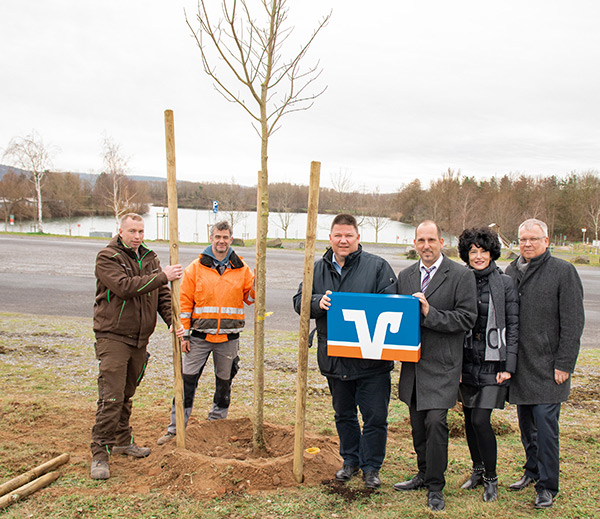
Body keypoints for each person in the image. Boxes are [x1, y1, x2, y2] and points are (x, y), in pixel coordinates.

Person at [292, 214, 396, 489]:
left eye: (349, 235)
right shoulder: (315, 269)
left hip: (372, 362)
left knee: (375, 416)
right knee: (344, 414)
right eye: (338, 235)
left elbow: (393, 304)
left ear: (357, 237)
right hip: (335, 359)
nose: (343, 240)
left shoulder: (377, 267)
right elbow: (298, 302)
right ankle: (350, 461)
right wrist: (316, 302)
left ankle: (371, 467)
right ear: (330, 238)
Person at [90, 213, 183, 480]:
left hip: (140, 339)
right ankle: (99, 453)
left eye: (141, 231)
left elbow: (161, 295)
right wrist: (162, 276)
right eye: (132, 231)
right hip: (113, 337)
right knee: (111, 396)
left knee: (126, 393)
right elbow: (125, 287)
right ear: (120, 231)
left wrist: (170, 321)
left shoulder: (150, 257)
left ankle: (121, 440)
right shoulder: (108, 257)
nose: (138, 236)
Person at [393, 220, 477, 512]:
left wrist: (431, 312)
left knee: (436, 424)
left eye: (431, 240)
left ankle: (436, 487)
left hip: (443, 366)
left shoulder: (460, 275)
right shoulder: (404, 276)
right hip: (413, 366)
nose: (426, 246)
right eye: (421, 240)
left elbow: (467, 318)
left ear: (442, 242)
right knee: (418, 426)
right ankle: (423, 472)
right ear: (415, 243)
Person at [505, 218, 584, 509]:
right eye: (523, 239)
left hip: (550, 368)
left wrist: (565, 363)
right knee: (527, 425)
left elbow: (573, 321)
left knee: (546, 428)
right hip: (521, 366)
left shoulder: (563, 271)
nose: (527, 244)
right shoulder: (511, 270)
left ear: (546, 241)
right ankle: (531, 471)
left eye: (533, 239)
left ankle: (548, 486)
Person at [157, 221, 254, 445]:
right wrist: (184, 336)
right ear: (211, 238)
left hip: (228, 339)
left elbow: (250, 298)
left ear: (231, 239)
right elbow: (184, 303)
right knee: (187, 382)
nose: (221, 241)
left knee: (224, 382)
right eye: (217, 236)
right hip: (199, 338)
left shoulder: (242, 268)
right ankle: (175, 428)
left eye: (225, 237)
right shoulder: (196, 267)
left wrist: (258, 284)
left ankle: (216, 425)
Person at [456, 227, 519, 502]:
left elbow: (514, 326)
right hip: (466, 360)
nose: (478, 256)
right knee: (470, 420)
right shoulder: (461, 279)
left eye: (483, 251)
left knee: (482, 419)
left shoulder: (504, 283)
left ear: (491, 253)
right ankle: (478, 470)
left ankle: (491, 479)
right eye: (473, 251)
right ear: (466, 254)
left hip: (494, 363)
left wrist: (509, 365)